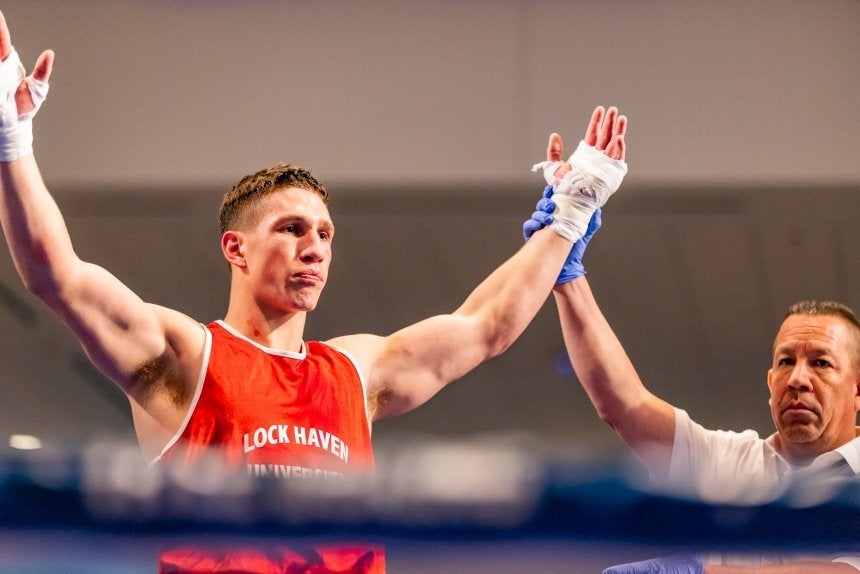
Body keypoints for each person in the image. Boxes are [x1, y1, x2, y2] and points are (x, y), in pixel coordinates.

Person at [0, 10, 629, 574]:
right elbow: (57, 275)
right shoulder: (187, 359)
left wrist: (569, 216)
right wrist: (12, 139)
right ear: (236, 249)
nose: (315, 247)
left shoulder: (354, 372)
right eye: (292, 229)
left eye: (325, 233)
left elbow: (484, 327)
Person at [524, 171, 860, 572]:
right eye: (786, 361)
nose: (798, 379)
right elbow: (624, 404)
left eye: (821, 363)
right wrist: (568, 278)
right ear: (771, 384)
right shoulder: (728, 461)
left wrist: (693, 571)